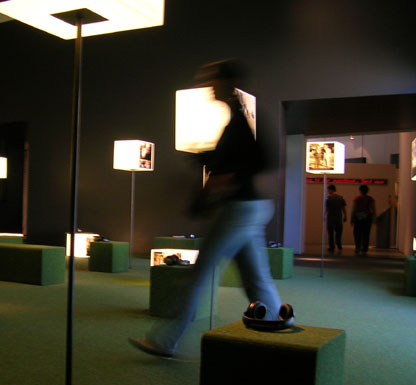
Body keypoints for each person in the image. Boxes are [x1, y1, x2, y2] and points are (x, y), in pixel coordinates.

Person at [129, 59, 292, 358]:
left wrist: (209, 189)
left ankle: (164, 340)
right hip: (252, 207)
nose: (208, 86)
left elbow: (236, 167)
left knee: (198, 274)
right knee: (256, 278)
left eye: (212, 79)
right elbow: (242, 161)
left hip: (239, 209)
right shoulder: (239, 118)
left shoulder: (239, 122)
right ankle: (277, 328)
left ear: (226, 82)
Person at [351, 184, 376, 255]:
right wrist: (374, 218)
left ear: (360, 190)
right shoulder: (370, 199)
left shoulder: (357, 198)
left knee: (357, 233)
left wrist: (352, 218)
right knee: (366, 234)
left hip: (358, 218)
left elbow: (354, 209)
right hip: (367, 218)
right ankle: (364, 248)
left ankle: (357, 247)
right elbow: (373, 209)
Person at [325, 184, 347, 254]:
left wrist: (324, 216)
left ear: (331, 189)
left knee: (330, 233)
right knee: (339, 232)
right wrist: (345, 216)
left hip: (331, 217)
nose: (328, 191)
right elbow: (343, 208)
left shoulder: (328, 199)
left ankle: (332, 246)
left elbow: (327, 209)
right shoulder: (341, 198)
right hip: (338, 217)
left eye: (328, 190)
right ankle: (339, 244)